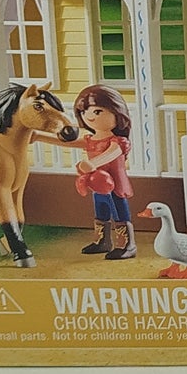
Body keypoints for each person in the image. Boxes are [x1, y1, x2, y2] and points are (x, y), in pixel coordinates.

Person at [72, 83, 137, 260]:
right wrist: (39, 137)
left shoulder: (119, 141)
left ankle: (127, 245)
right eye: (84, 112)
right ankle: (102, 241)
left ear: (117, 112)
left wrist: (92, 163)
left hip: (115, 185)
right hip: (98, 183)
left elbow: (110, 154)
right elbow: (69, 142)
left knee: (119, 212)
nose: (89, 116)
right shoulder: (91, 139)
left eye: (97, 111)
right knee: (101, 210)